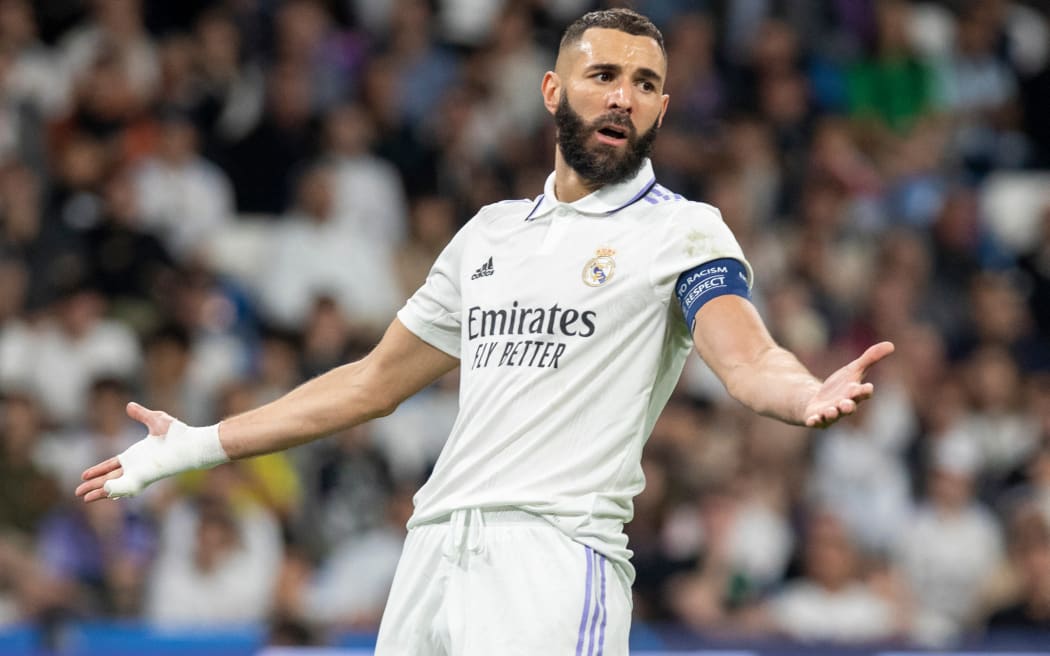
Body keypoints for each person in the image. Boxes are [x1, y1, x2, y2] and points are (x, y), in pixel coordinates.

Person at [76, 9, 894, 655]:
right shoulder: (489, 234)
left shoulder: (685, 232)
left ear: (662, 109)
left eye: (645, 84)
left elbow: (746, 354)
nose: (622, 95)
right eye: (603, 74)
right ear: (551, 90)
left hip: (552, 560)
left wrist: (799, 391)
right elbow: (371, 383)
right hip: (435, 549)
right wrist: (198, 444)